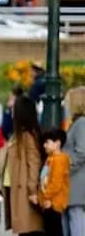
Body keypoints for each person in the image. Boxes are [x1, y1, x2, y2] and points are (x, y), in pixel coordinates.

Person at [2, 96, 44, 235]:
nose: (11, 110)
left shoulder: (27, 136)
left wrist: (32, 189)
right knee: (23, 229)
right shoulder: (19, 133)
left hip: (24, 190)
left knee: (28, 229)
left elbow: (34, 162)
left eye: (14, 107)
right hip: (15, 186)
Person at [61, 86, 85, 236]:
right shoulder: (77, 122)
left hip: (77, 183)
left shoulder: (81, 123)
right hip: (73, 182)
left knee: (76, 223)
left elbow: (82, 153)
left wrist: (64, 164)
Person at [39, 128, 70, 236]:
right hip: (48, 204)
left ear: (57, 143)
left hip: (53, 204)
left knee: (54, 231)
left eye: (47, 142)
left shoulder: (60, 160)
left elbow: (56, 184)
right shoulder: (51, 159)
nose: (44, 145)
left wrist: (46, 198)